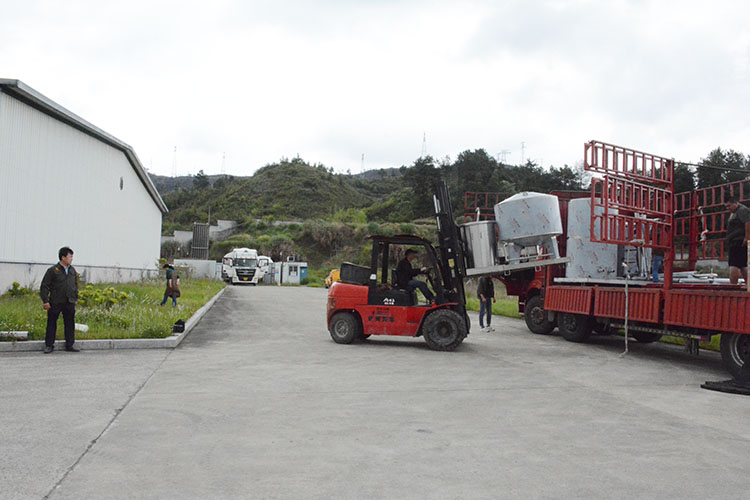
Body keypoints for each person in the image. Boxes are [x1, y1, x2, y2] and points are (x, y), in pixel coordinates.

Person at [40, 246, 79, 353]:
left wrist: (75, 297)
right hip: (56, 301)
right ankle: (49, 345)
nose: (71, 259)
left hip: (69, 301)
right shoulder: (53, 270)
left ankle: (70, 344)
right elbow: (44, 286)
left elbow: (75, 284)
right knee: (52, 323)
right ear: (63, 257)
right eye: (70, 256)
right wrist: (45, 301)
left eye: (72, 257)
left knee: (70, 323)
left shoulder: (72, 270)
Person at [725, 197, 750, 285]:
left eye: (729, 206)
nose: (728, 208)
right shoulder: (735, 212)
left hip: (738, 241)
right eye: (726, 207)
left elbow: (747, 223)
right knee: (743, 265)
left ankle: (733, 286)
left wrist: (747, 237)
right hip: (736, 240)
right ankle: (748, 285)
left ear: (735, 203)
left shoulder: (742, 210)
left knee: (734, 265)